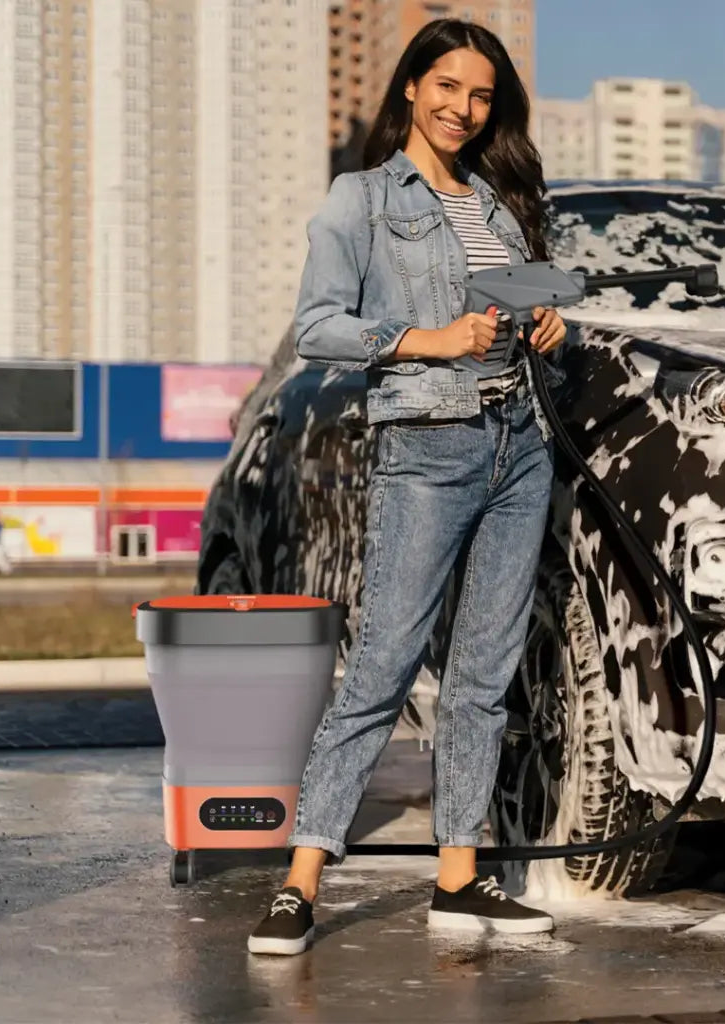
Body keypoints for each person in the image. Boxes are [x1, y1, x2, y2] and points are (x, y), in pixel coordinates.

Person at [248, 17, 569, 956]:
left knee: (482, 679)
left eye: (481, 95)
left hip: (521, 446)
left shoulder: (501, 205)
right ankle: (300, 882)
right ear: (411, 88)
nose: (465, 109)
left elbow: (534, 311)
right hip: (428, 444)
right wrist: (427, 339)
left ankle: (459, 881)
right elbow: (316, 327)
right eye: (449, 89)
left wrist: (547, 322)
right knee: (382, 669)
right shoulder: (361, 200)